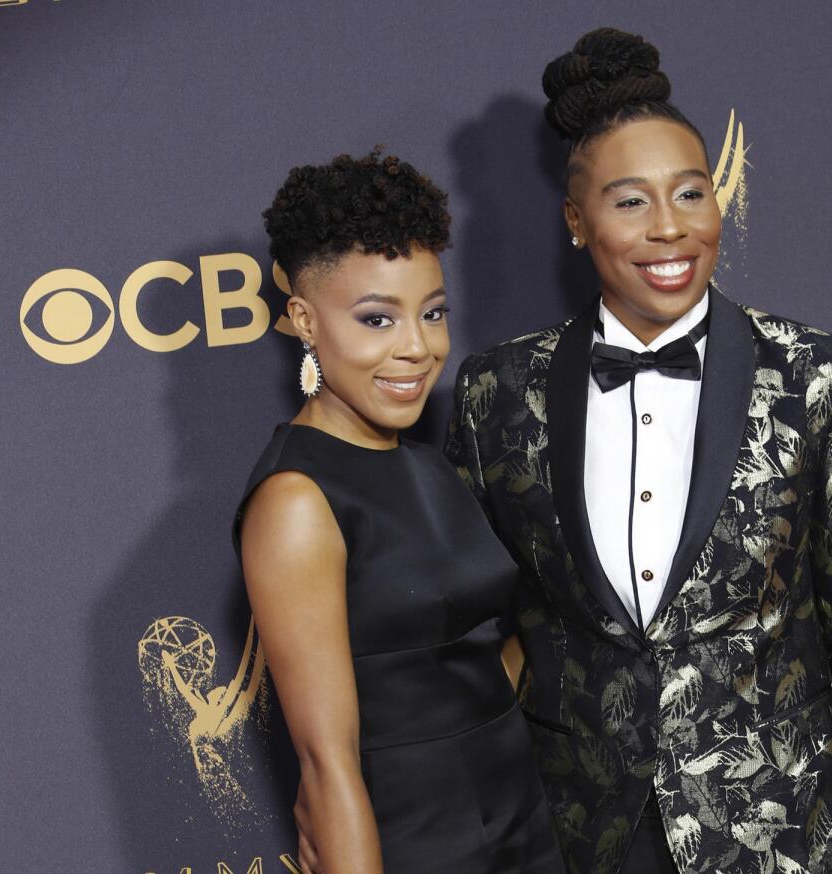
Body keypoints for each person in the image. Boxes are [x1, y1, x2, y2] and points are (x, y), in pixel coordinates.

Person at [445, 28, 832, 874]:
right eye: (630, 202)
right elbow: (475, 623)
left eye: (691, 194)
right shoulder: (496, 393)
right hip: (581, 830)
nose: (670, 228)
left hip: (785, 828)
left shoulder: (817, 375)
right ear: (577, 222)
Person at [238, 149, 564, 874]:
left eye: (434, 313)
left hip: (524, 824)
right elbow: (328, 769)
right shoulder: (295, 500)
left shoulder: (423, 461)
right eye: (377, 319)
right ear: (304, 320)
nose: (418, 348)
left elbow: (471, 654)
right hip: (419, 845)